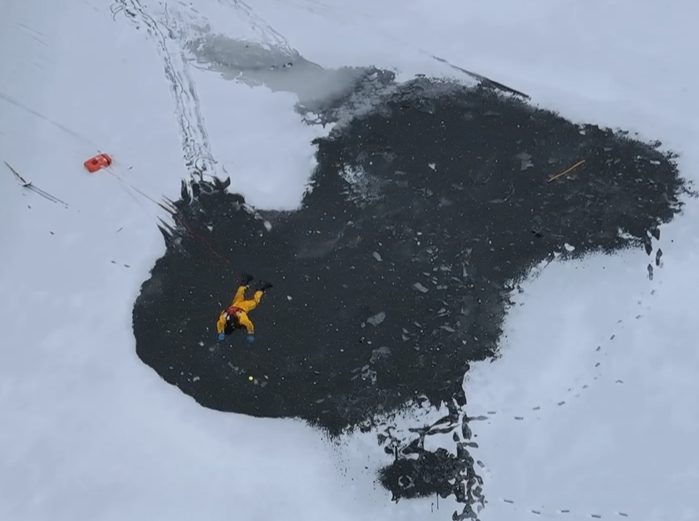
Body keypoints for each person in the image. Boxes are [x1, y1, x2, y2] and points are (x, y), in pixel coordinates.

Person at [216, 273, 273, 343]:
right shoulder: (224, 317)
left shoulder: (241, 318)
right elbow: (220, 323)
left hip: (243, 306)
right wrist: (220, 332)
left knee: (255, 302)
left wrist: (250, 333)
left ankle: (261, 287)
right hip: (234, 304)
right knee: (239, 295)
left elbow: (249, 324)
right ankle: (245, 281)